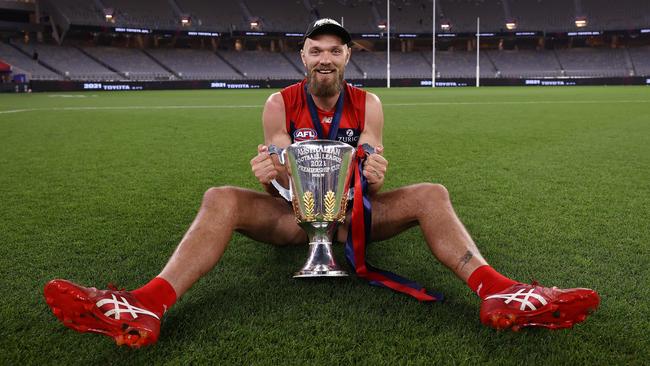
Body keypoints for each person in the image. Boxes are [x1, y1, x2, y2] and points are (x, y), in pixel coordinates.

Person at [43, 18, 599, 348]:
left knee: (431, 193)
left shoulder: (369, 103)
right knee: (220, 197)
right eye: (317, 50)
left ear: (348, 57)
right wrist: (269, 175)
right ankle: (147, 303)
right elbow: (283, 183)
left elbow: (373, 171)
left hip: (356, 217)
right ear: (302, 56)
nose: (326, 57)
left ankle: (498, 290)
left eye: (336, 50)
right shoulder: (278, 103)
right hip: (294, 221)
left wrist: (376, 173)